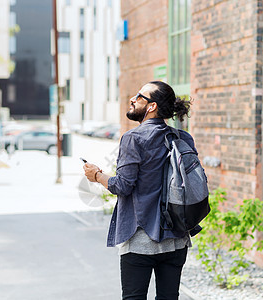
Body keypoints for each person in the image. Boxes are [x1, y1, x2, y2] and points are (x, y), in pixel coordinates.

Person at [83, 81, 197, 300]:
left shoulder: (133, 138)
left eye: (138, 96)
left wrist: (96, 175)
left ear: (151, 106)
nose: (132, 100)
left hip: (141, 238)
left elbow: (122, 186)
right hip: (176, 236)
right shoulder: (183, 138)